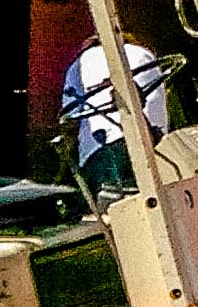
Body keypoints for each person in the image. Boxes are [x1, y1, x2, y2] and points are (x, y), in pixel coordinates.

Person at [63, 39, 174, 196]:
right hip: (159, 143)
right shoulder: (144, 54)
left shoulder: (79, 65)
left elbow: (70, 118)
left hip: (105, 149)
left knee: (112, 201)